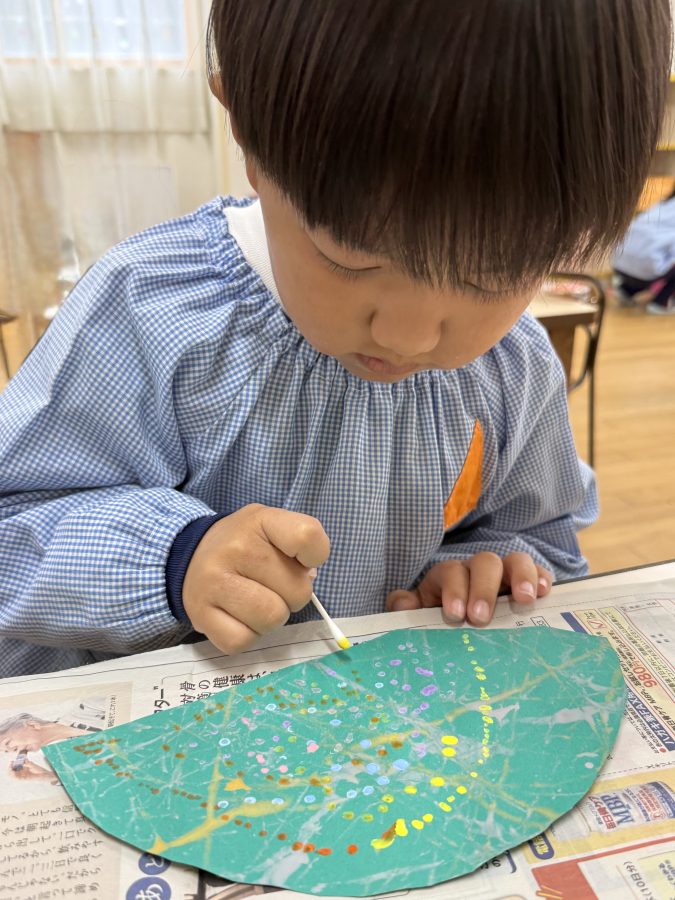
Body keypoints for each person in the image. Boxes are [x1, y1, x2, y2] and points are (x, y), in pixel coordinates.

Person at [0, 0, 670, 678]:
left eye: (492, 274)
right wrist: (177, 557)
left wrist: (481, 572)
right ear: (246, 132)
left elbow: (538, 536)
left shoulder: (512, 367)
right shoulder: (152, 311)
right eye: (349, 256)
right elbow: (13, 532)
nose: (410, 336)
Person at [0, 706, 105, 782]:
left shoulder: (88, 708)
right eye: (7, 751)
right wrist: (49, 776)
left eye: (8, 743)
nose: (14, 751)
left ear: (33, 725)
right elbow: (103, 781)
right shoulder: (65, 759)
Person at [613, 190, 675, 314]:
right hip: (645, 271)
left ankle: (626, 291)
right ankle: (661, 302)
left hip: (619, 264)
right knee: (658, 260)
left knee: (649, 257)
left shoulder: (663, 204)